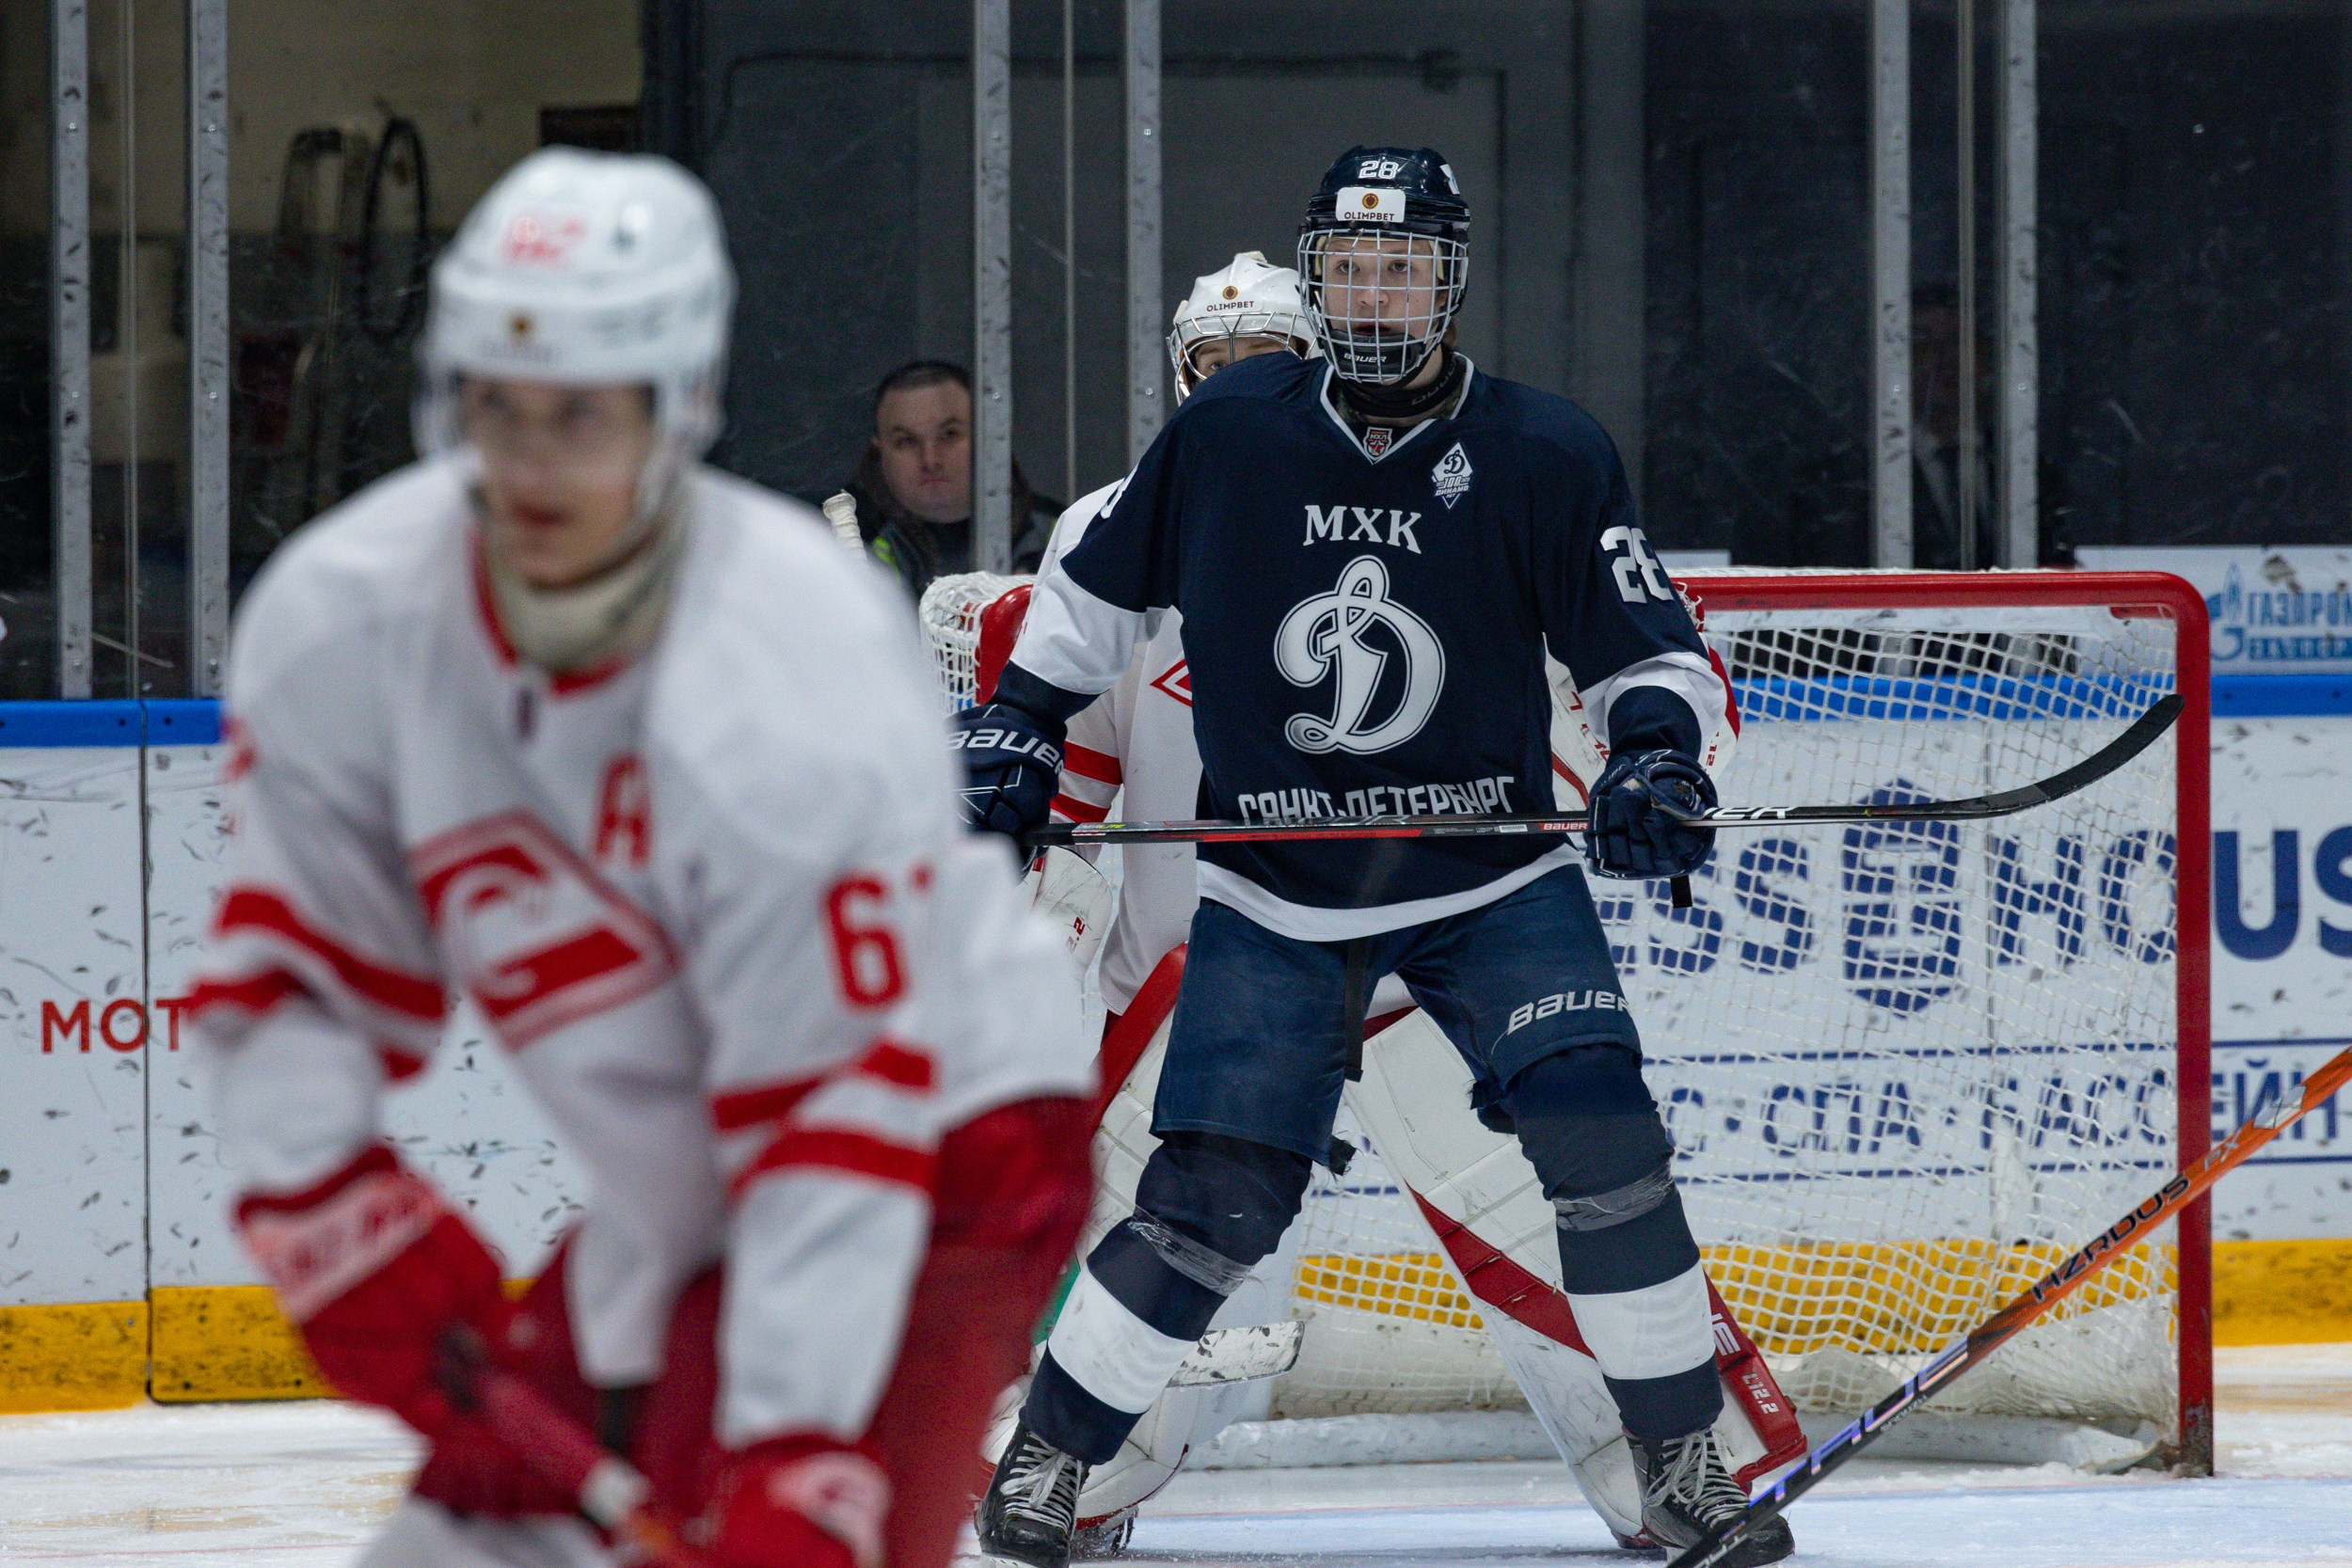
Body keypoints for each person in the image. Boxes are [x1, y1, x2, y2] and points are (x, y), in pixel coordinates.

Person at [184, 147, 1095, 1568]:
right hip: (693, 1169)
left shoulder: (789, 654)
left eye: (585, 413)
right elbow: (294, 977)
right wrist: (330, 1213)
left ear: (676, 413)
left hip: (944, 1161)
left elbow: (843, 1105)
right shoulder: (342, 622)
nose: (536, 460)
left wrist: (800, 1445)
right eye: (501, 407)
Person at [954, 146, 1793, 1568]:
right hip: (1279, 890)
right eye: (1350, 266)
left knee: (1603, 1137)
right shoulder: (1226, 438)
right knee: (1209, 1193)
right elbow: (1086, 604)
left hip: (1491, 878)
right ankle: (1045, 1460)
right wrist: (1020, 725)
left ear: (1451, 280)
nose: (1375, 290)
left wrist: (1657, 751)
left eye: (1402, 264)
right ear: (1320, 278)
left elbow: (1640, 643)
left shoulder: (1545, 447)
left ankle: (1681, 1464)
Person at [827, 361, 1058, 598]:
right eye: (906, 441)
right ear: (879, 449)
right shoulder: (834, 543)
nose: (930, 460)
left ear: (987, 435)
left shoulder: (1059, 536)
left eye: (949, 435)